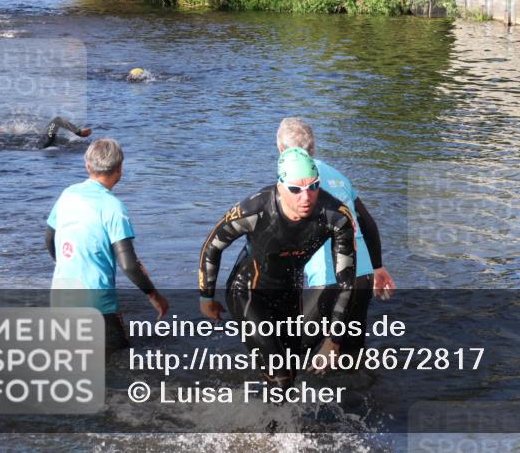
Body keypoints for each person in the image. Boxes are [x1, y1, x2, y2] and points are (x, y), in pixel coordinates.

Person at [198, 147, 356, 386]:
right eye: (296, 189)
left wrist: (334, 340)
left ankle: (266, 418)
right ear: (280, 186)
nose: (306, 197)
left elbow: (346, 281)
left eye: (313, 186)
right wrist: (206, 297)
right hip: (248, 292)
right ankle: (265, 422)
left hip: (290, 295)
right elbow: (212, 246)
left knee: (291, 376)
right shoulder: (255, 209)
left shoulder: (336, 216)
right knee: (280, 376)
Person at [275, 118, 395, 356]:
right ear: (314, 145)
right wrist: (378, 268)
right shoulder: (337, 175)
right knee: (351, 358)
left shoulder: (294, 183)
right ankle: (363, 393)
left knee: (287, 353)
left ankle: (269, 394)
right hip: (361, 276)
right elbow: (368, 223)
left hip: (330, 281)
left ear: (281, 150)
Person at [47, 138, 169, 351]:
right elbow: (129, 264)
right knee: (121, 359)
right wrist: (155, 296)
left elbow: (49, 239)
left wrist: (66, 263)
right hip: (96, 301)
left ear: (88, 166)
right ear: (119, 169)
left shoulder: (68, 194)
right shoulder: (113, 207)